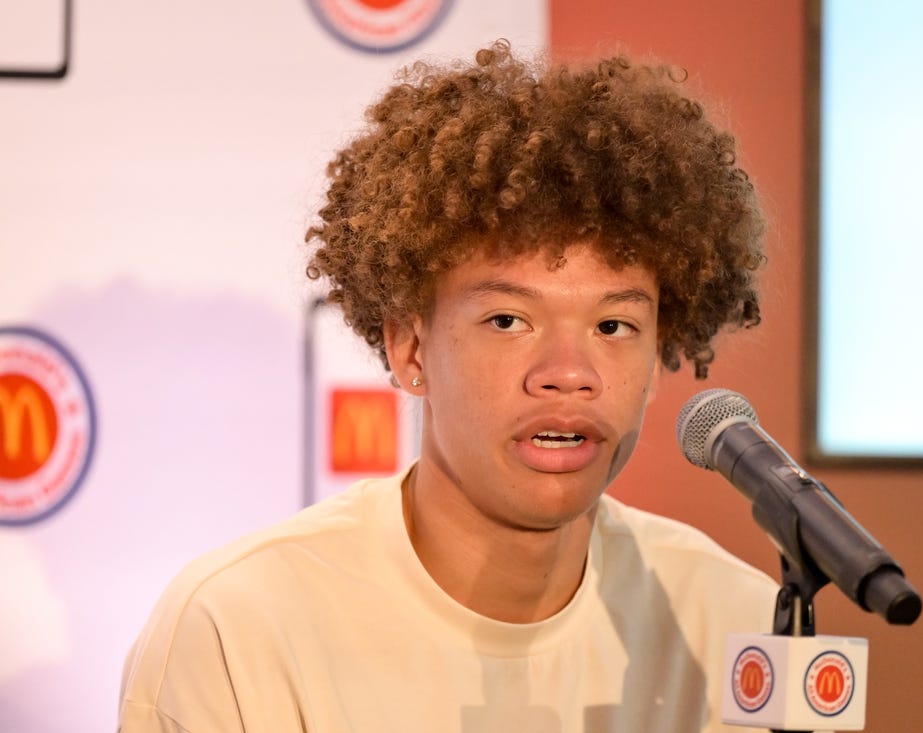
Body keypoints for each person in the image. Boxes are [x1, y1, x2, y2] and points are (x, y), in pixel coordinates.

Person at [118, 40, 773, 732]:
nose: (569, 372)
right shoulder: (240, 629)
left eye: (613, 325)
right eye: (507, 319)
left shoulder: (739, 626)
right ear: (409, 348)